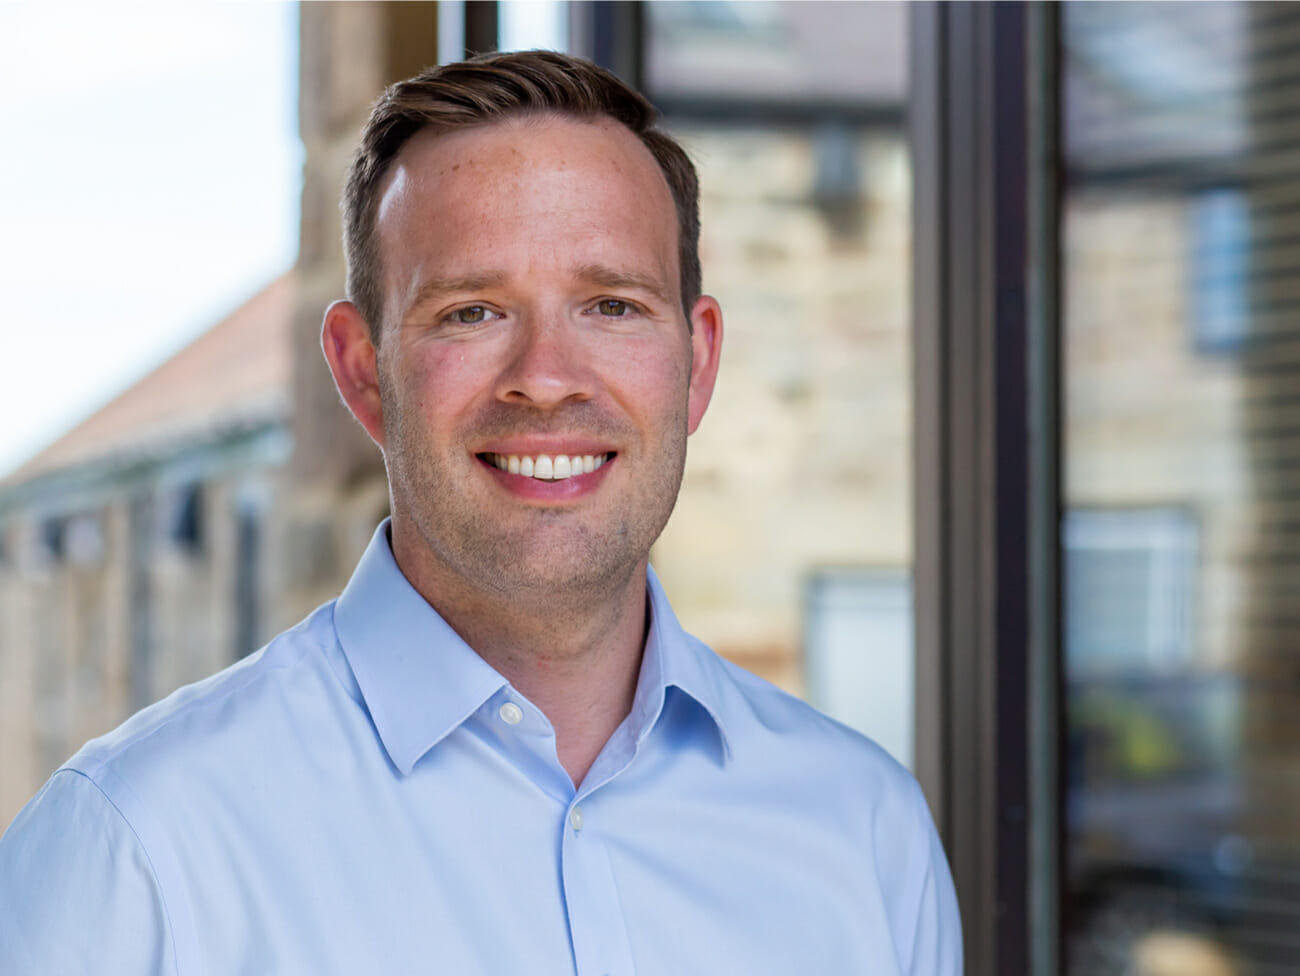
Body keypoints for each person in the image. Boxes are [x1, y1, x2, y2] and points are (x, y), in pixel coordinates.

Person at [0, 51, 961, 974]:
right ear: (361, 371)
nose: (545, 380)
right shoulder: (139, 851)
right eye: (473, 312)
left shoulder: (863, 832)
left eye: (612, 306)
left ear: (698, 363)